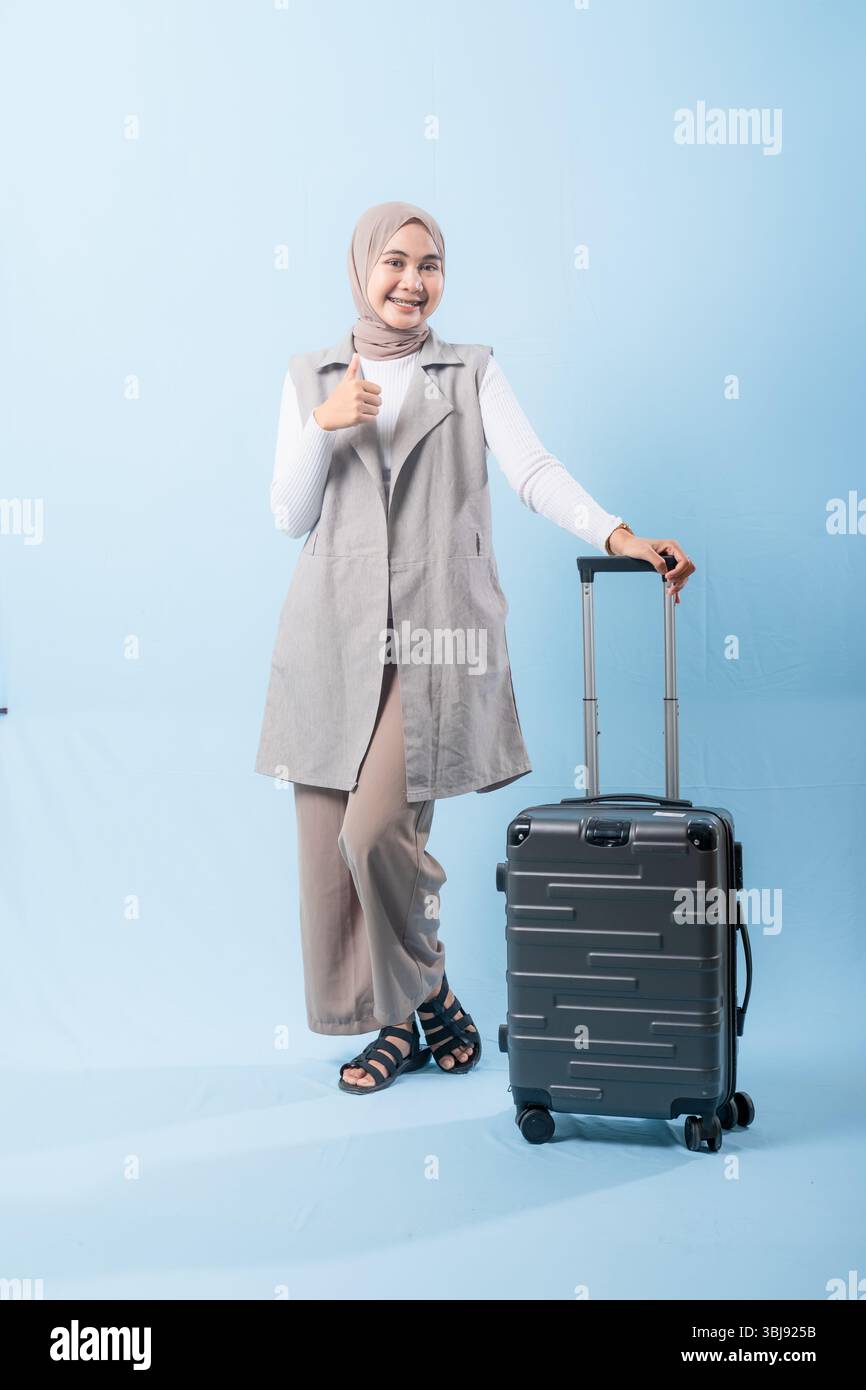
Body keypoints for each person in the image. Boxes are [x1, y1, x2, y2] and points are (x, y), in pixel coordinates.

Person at [255, 200, 695, 1094]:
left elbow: (532, 470)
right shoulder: (313, 377)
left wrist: (620, 535)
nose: (413, 282)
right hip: (330, 640)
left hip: (438, 637)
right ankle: (420, 1013)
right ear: (359, 270)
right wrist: (326, 421)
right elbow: (287, 515)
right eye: (395, 263)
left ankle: (411, 1004)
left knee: (376, 830)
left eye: (432, 265)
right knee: (323, 852)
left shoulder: (471, 371)